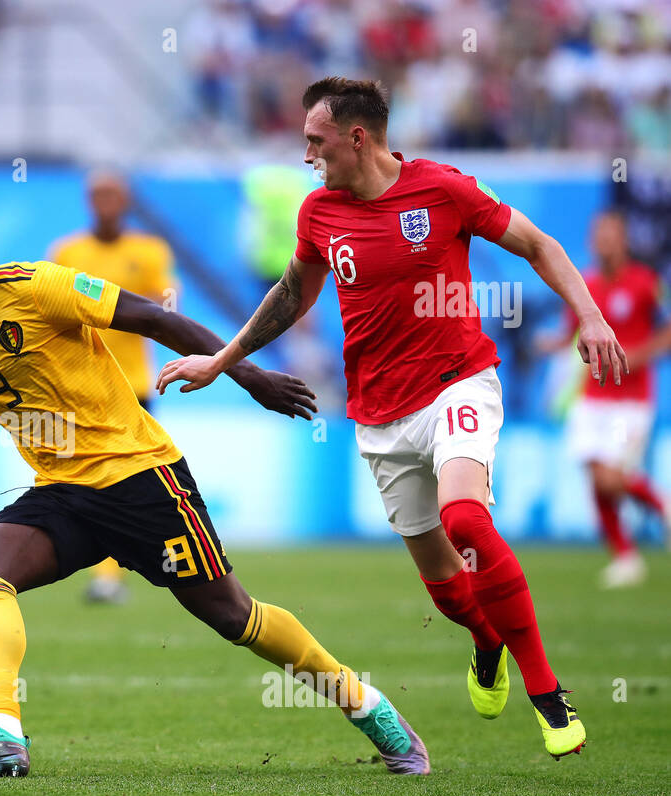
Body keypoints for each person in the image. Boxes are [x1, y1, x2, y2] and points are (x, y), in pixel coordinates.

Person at [0, 211, 430, 778]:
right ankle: (2, 734)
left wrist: (242, 373)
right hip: (63, 493)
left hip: (141, 477)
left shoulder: (39, 288)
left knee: (231, 616)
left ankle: (368, 707)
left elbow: (153, 319)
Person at [157, 77, 629, 760]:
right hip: (379, 415)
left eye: (316, 142)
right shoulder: (319, 212)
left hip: (458, 382)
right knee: (446, 590)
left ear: (358, 137)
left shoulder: (444, 190)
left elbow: (538, 245)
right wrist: (222, 359)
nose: (307, 155)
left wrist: (589, 314)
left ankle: (548, 695)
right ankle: (484, 640)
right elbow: (293, 294)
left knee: (467, 518)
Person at [49, 169, 178, 604]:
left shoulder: (150, 251)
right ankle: (105, 573)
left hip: (133, 386)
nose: (105, 203)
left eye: (112, 195)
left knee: (134, 484)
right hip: (80, 388)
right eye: (97, 195)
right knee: (89, 484)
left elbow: (167, 308)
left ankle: (138, 566)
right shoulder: (67, 252)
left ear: (126, 201)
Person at [543, 210, 671, 587]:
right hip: (592, 397)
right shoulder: (586, 287)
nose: (604, 241)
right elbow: (572, 335)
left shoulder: (647, 284)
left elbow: (667, 333)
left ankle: (662, 505)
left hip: (630, 402)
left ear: (624, 240)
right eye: (599, 235)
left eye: (611, 234)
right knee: (597, 479)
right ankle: (626, 557)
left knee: (613, 479)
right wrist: (549, 344)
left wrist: (637, 355)